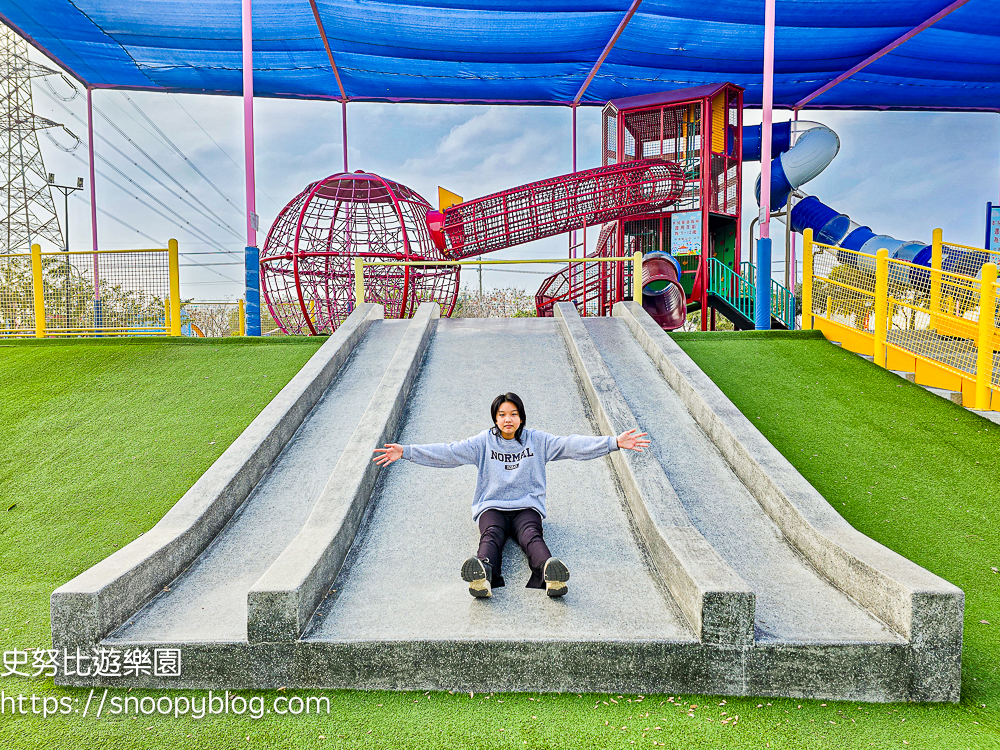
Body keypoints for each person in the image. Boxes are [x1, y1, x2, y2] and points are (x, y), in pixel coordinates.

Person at [372, 392, 650, 599]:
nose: (508, 419)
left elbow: (571, 445)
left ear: (521, 417)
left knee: (531, 534)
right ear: (495, 417)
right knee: (491, 533)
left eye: (514, 414)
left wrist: (613, 442)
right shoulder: (483, 442)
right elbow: (449, 452)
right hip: (492, 506)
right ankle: (482, 575)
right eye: (503, 414)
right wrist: (406, 451)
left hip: (526, 506)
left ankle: (550, 573)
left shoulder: (537, 440)